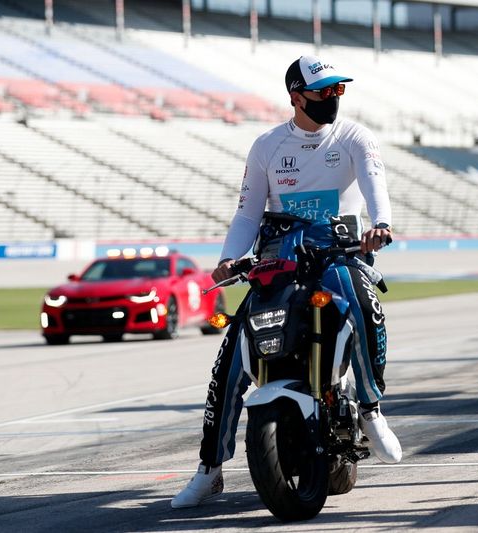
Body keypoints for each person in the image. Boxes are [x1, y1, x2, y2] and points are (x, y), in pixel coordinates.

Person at [171, 55, 403, 509]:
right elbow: (247, 212)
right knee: (233, 353)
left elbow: (376, 185)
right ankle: (209, 469)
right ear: (296, 96)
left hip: (339, 249)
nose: (334, 98)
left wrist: (381, 224)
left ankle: (373, 411)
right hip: (279, 254)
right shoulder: (267, 145)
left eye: (339, 90)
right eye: (324, 91)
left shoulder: (356, 136)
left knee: (363, 303)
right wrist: (227, 260)